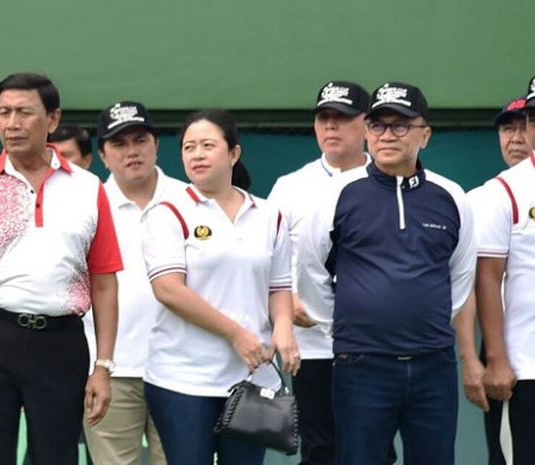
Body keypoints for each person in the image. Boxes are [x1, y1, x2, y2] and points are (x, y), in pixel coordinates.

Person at [0, 72, 122, 465]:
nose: (12, 123)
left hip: (62, 343)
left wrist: (103, 366)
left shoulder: (89, 189)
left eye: (24, 112)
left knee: (55, 458)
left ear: (52, 120)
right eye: (3, 112)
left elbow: (105, 284)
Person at [298, 82, 476, 465]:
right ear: (366, 132)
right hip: (361, 366)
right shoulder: (336, 195)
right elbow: (310, 270)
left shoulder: (452, 196)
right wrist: (345, 330)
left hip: (433, 364)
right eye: (378, 126)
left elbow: (459, 276)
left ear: (424, 135)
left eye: (400, 126)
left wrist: (423, 323)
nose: (387, 135)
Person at [142, 109, 300, 465]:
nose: (196, 154)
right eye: (188, 147)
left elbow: (279, 286)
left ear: (233, 153)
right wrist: (237, 334)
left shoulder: (269, 214)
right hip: (181, 379)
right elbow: (168, 289)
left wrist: (285, 326)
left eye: (207, 145)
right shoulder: (168, 211)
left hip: (252, 380)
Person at [268, 80, 372, 465]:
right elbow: (268, 263)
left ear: (366, 124)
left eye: (342, 118)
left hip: (375, 345)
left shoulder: (387, 179)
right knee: (320, 448)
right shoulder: (290, 187)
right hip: (311, 346)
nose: (331, 127)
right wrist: (288, 302)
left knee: (373, 449)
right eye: (324, 118)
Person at [80, 101, 182, 465]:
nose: (132, 151)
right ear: (103, 156)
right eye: (119, 144)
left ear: (156, 144)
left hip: (181, 368)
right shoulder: (85, 207)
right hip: (110, 369)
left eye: (140, 140)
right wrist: (96, 366)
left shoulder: (190, 200)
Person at [453, 95, 532, 465]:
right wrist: (484, 360)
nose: (516, 136)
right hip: (522, 365)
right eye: (508, 127)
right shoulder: (493, 194)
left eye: (524, 124)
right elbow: (477, 282)